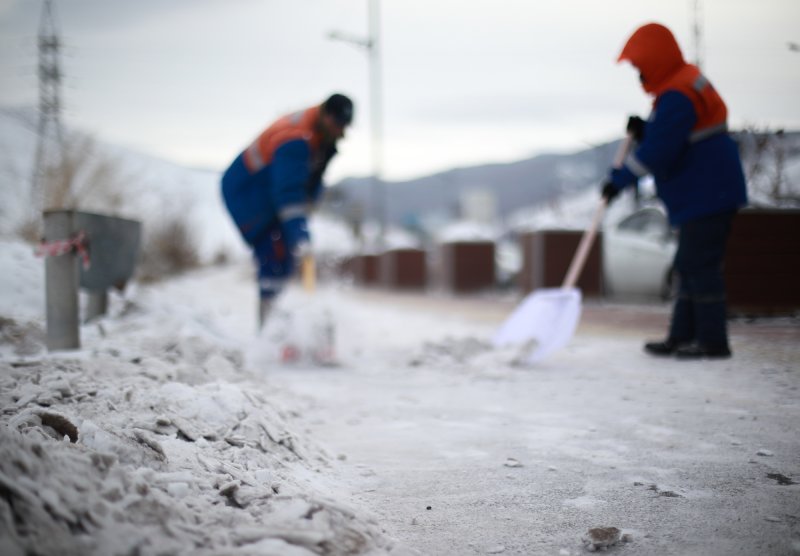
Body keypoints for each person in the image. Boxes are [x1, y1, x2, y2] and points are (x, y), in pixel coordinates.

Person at [601, 23, 747, 359]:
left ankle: (712, 342)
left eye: (639, 67)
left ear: (654, 61)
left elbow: (660, 151)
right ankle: (681, 337)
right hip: (705, 194)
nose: (638, 75)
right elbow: (672, 137)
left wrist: (619, 180)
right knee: (688, 265)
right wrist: (646, 130)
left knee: (699, 266)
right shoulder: (679, 86)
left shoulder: (678, 95)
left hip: (709, 194)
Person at [222, 93, 354, 328]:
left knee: (284, 256)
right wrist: (301, 237)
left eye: (344, 127)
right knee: (273, 253)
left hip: (268, 193)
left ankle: (279, 326)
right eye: (337, 125)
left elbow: (309, 185)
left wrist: (302, 223)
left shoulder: (320, 136)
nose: (340, 133)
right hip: (247, 195)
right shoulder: (294, 138)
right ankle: (269, 331)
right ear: (326, 116)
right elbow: (289, 194)